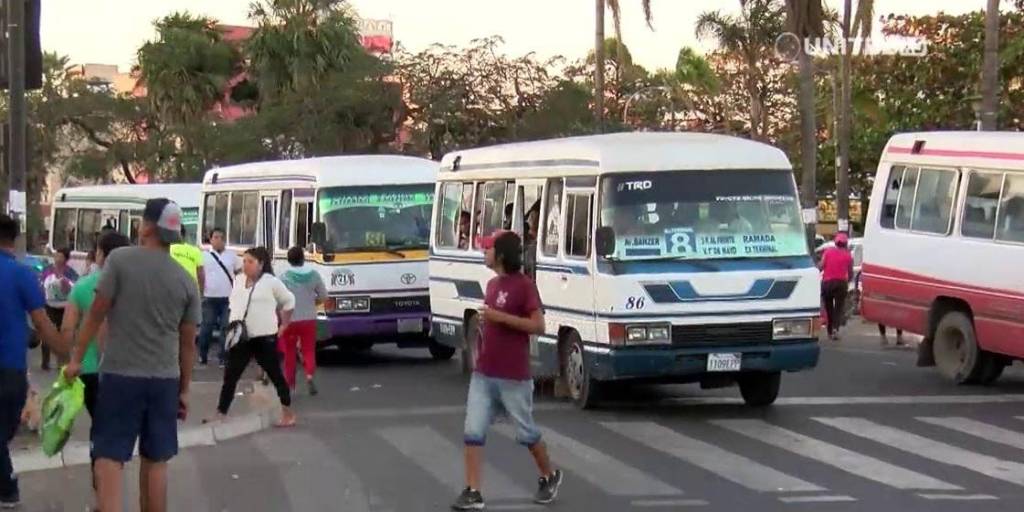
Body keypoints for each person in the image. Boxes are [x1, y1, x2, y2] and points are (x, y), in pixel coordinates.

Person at [65, 198, 201, 512]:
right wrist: (184, 390)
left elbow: (97, 313)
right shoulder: (186, 280)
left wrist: (76, 359)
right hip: (164, 381)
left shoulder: (121, 260)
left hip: (120, 376)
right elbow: (188, 343)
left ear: (148, 226)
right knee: (156, 459)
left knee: (110, 457)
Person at [452, 231, 562, 511]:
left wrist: (500, 317)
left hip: (513, 376)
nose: (483, 253)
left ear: (501, 255)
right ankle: (473, 491)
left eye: (488, 249)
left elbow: (538, 326)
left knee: (526, 433)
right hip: (484, 373)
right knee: (473, 430)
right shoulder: (491, 285)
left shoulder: (524, 286)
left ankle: (548, 475)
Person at [60, 231, 131, 505]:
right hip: (124, 369)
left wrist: (69, 361)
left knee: (99, 427)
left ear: (101, 254)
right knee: (114, 426)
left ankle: (100, 482)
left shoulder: (82, 286)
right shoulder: (131, 286)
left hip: (86, 371)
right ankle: (109, 481)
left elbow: (67, 329)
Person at [0, 214, 65, 509]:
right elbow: (42, 322)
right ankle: (8, 489)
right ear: (14, 240)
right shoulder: (22, 274)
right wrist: (67, 357)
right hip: (10, 370)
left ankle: (8, 488)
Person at [210, 247, 296, 427]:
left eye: (250, 262)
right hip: (241, 337)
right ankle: (221, 413)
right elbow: (234, 303)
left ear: (261, 264)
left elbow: (289, 301)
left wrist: (284, 325)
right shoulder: (238, 280)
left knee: (275, 375)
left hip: (264, 337)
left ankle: (287, 412)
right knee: (231, 375)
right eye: (244, 261)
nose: (246, 265)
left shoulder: (271, 282)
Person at [279, 247, 327, 395]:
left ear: (288, 260)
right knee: (308, 350)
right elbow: (324, 296)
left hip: (290, 319)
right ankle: (309, 375)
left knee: (290, 353)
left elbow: (279, 300)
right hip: (309, 319)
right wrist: (313, 302)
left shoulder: (284, 277)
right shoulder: (314, 275)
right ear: (303, 258)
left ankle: (290, 385)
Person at [199, 228, 238, 367]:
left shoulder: (232, 256)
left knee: (225, 328)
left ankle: (223, 357)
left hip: (227, 298)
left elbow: (239, 272)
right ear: (210, 240)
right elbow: (199, 274)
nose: (219, 240)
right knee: (206, 327)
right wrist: (201, 291)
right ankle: (202, 355)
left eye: (221, 237)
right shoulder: (204, 255)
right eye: (215, 237)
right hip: (209, 297)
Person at [39, 247, 78, 371]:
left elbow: (75, 288)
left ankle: (62, 362)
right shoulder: (48, 270)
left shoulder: (70, 272)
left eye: (61, 256)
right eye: (56, 256)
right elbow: (41, 283)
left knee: (64, 335)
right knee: (47, 333)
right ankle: (45, 362)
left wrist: (66, 283)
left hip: (64, 307)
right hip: (49, 306)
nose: (58, 259)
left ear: (66, 259)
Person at [819, 232, 854, 341]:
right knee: (838, 308)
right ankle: (835, 329)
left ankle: (829, 331)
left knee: (829, 308)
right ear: (845, 243)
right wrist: (848, 281)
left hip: (827, 283)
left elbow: (821, 266)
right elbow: (850, 273)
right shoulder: (848, 256)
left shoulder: (828, 252)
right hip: (841, 283)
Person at [171, 225, 206, 296]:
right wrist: (201, 293)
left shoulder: (166, 250)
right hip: (190, 291)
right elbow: (201, 275)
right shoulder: (195, 251)